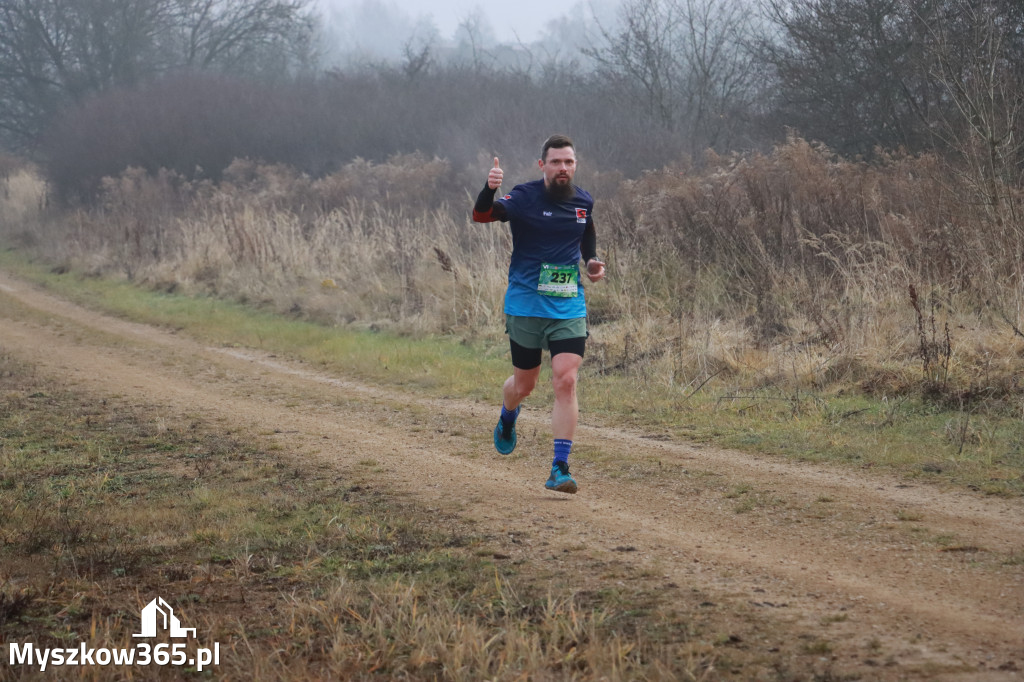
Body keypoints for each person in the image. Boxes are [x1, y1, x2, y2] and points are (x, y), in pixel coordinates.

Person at [472, 134, 606, 494]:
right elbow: (482, 215)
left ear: (575, 165)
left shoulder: (583, 200)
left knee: (566, 379)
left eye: (569, 162)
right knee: (524, 385)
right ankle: (508, 412)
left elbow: (585, 231)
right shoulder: (525, 196)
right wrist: (489, 189)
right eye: (556, 162)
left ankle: (559, 467)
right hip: (526, 305)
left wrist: (591, 261)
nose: (563, 168)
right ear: (542, 165)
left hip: (568, 305)